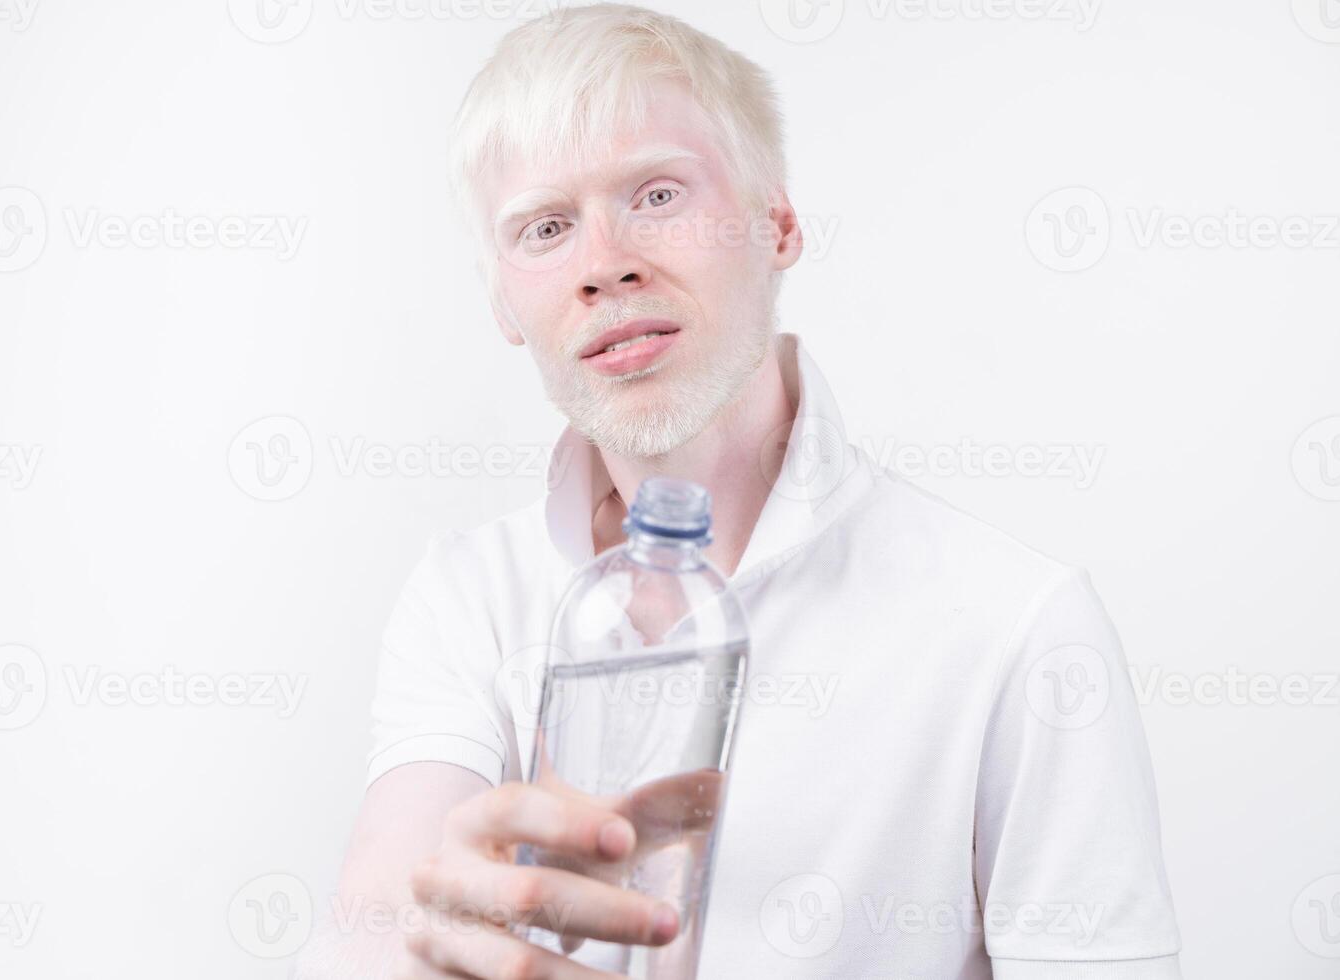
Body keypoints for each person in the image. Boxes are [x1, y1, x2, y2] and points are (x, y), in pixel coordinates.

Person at [298, 4, 1182, 977]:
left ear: (779, 222)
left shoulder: (1016, 622)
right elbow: (374, 922)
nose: (605, 263)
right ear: (506, 304)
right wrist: (422, 942)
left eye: (658, 194)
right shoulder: (469, 594)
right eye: (546, 227)